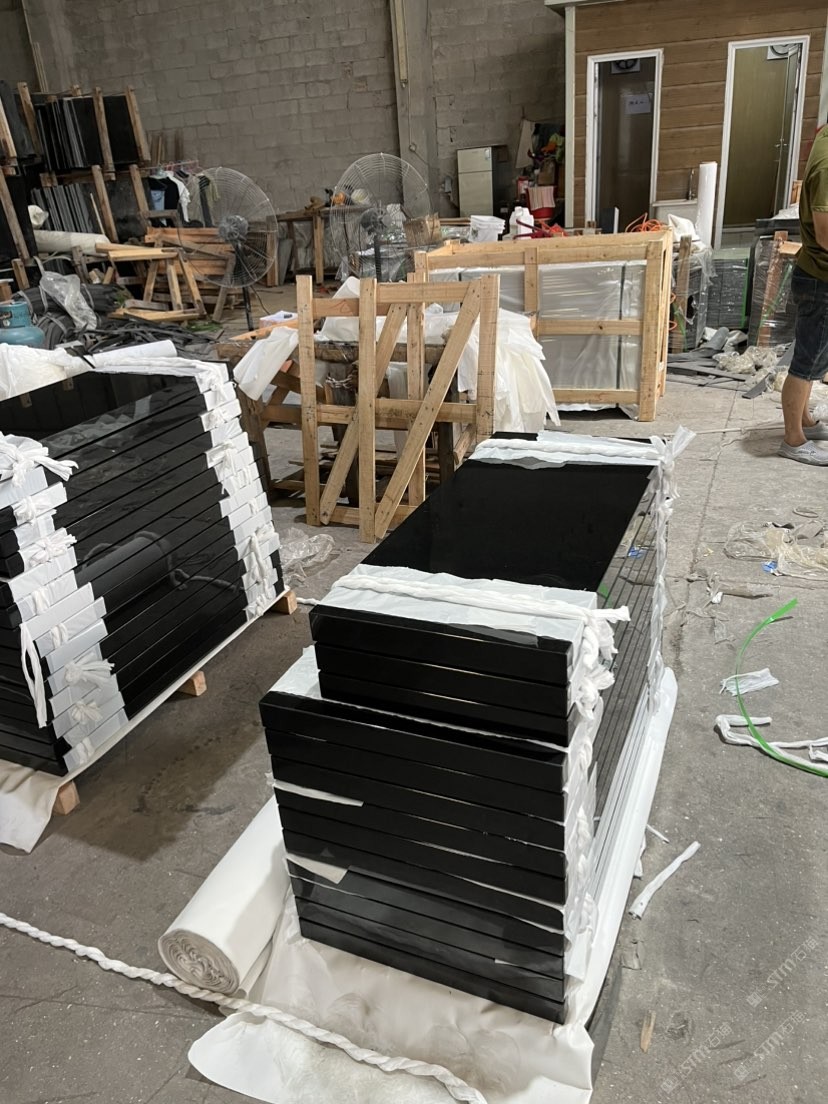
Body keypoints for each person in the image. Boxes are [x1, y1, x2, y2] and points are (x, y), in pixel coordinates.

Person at [779, 123, 828, 465]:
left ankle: (805, 421)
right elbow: (825, 234)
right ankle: (793, 440)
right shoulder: (827, 165)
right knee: (806, 362)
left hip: (818, 275)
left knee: (817, 357)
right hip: (820, 278)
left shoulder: (824, 134)